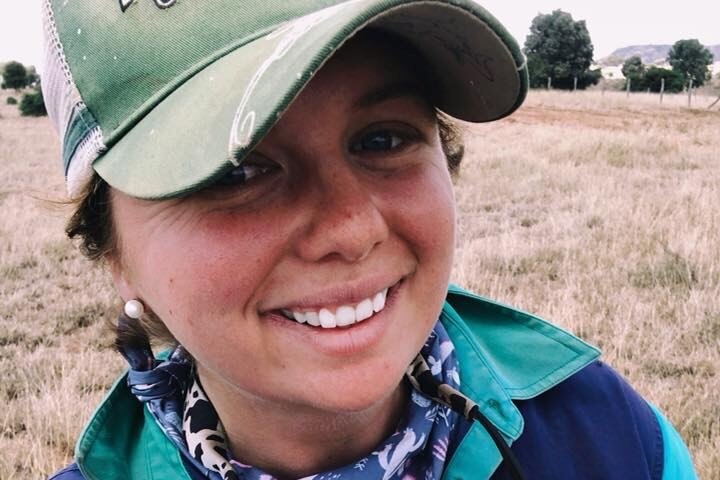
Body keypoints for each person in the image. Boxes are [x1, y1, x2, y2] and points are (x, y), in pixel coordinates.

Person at [42, 1, 696, 479]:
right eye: (235, 171)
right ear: (112, 250)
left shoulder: (609, 441)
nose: (351, 230)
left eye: (382, 139)